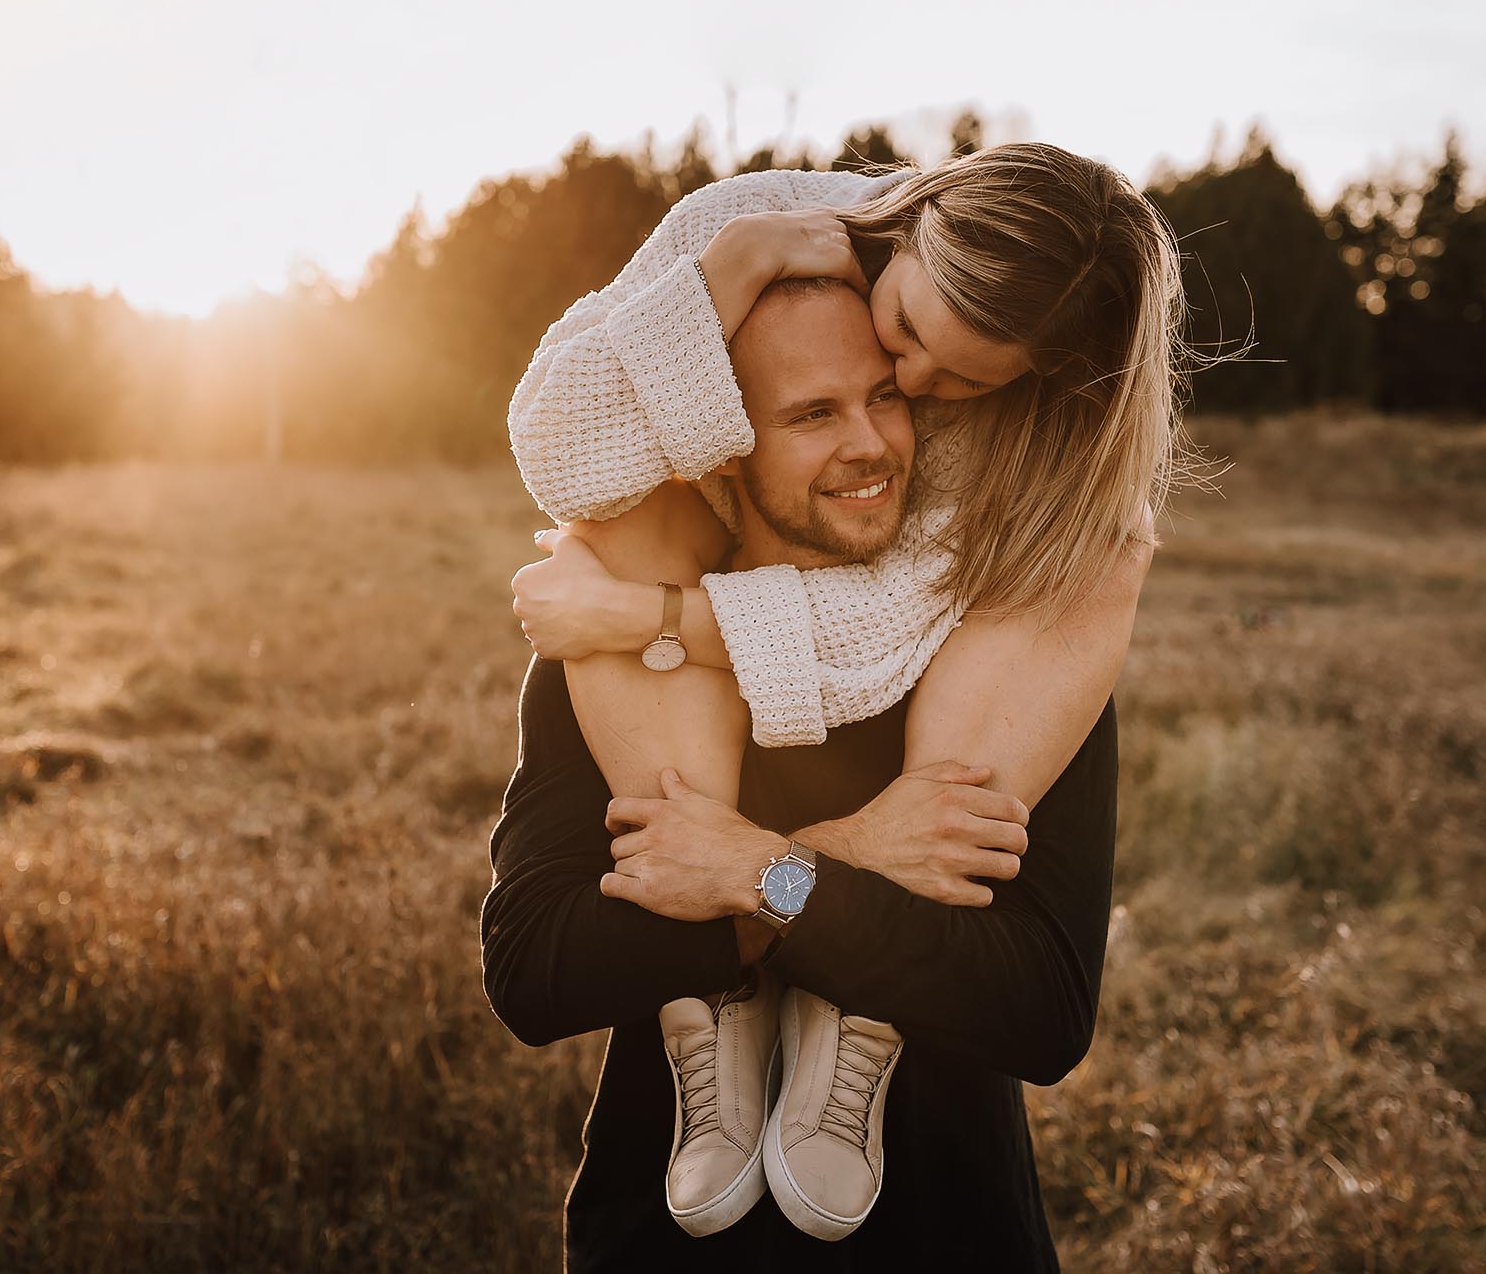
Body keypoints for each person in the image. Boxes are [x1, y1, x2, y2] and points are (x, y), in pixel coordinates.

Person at [506, 141, 1194, 1223]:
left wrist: (767, 872)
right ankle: (713, 1015)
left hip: (943, 1238)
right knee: (612, 510)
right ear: (720, 431)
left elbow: (1042, 1011)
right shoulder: (601, 644)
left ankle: (845, 1032)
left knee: (1105, 542)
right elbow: (538, 977)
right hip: (657, 1248)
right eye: (812, 412)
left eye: (935, 389)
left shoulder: (1010, 654)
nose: (895, 415)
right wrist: (839, 863)